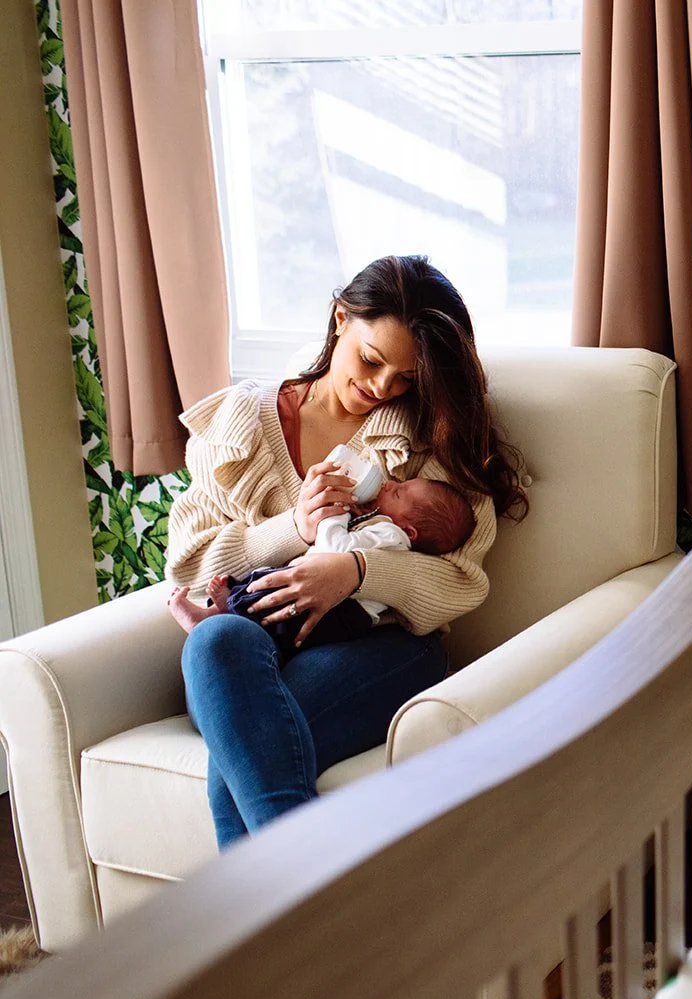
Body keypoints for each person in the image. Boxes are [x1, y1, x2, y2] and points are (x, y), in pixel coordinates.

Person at [165, 254, 527, 849]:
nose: (383, 387)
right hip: (259, 649)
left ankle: (268, 919)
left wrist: (356, 571)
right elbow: (187, 564)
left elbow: (461, 580)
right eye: (372, 360)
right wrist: (294, 530)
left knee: (247, 744)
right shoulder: (243, 423)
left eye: (405, 378)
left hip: (382, 651)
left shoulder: (425, 432)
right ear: (340, 319)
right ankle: (312, 911)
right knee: (213, 641)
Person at [166, 467, 475, 657]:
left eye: (398, 493)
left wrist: (335, 514)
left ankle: (215, 618)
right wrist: (298, 525)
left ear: (409, 530)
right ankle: (225, 605)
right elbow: (187, 568)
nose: (391, 483)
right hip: (320, 593)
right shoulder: (382, 529)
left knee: (279, 615)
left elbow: (335, 546)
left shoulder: (389, 535)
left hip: (340, 614)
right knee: (274, 583)